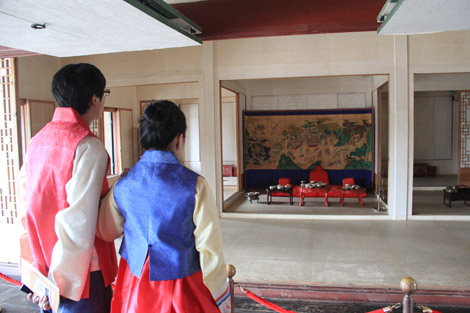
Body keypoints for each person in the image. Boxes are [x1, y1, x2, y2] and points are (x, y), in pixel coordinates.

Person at [97, 100, 231, 313]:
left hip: (135, 279)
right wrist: (219, 294)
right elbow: (209, 248)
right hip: (181, 284)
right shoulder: (195, 185)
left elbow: (106, 231)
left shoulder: (123, 185)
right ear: (179, 140)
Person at [19, 63, 118, 312]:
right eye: (104, 95)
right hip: (80, 270)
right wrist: (59, 280)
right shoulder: (88, 147)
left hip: (45, 262)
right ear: (94, 98)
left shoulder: (37, 140)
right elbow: (78, 221)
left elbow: (28, 208)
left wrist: (40, 271)